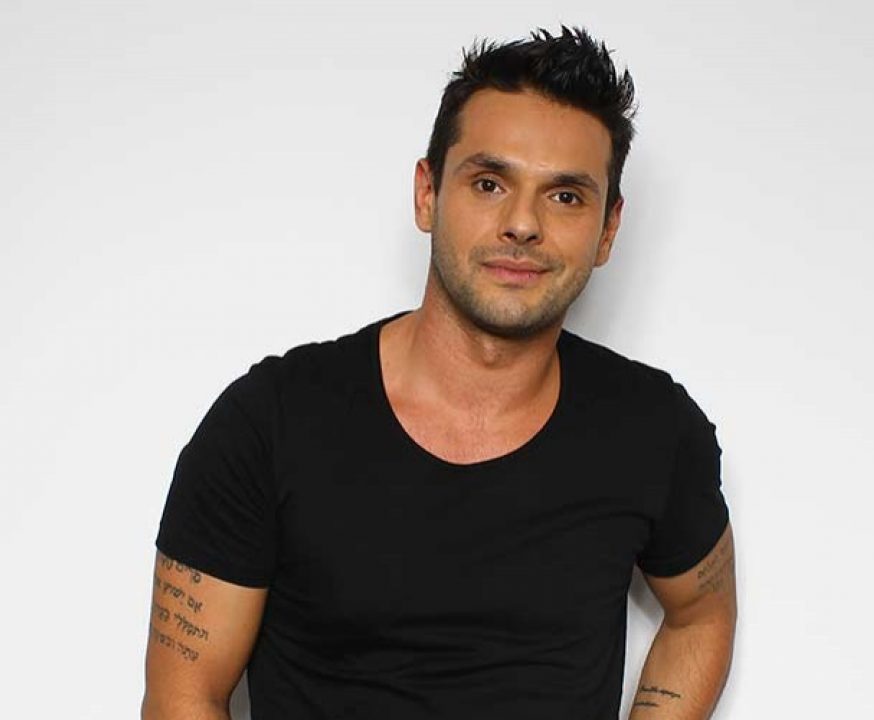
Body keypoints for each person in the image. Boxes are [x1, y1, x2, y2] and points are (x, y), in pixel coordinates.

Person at [142, 26, 737, 720]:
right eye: (489, 183)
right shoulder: (269, 424)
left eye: (566, 196)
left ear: (608, 229)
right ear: (427, 194)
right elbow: (183, 696)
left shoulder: (654, 431)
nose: (522, 224)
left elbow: (701, 613)